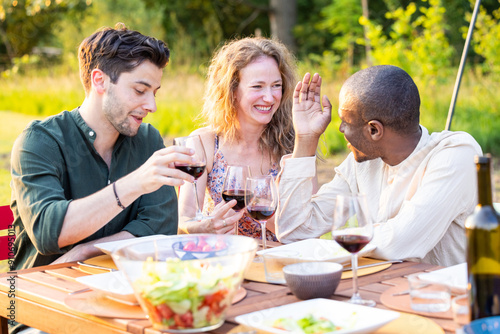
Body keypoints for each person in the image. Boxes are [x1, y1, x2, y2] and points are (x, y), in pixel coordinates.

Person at [10, 24, 198, 271]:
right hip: (39, 292)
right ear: (100, 81)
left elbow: (160, 228)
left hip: (121, 286)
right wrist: (136, 183)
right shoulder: (39, 142)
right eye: (140, 90)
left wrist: (85, 250)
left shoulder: (148, 140)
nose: (152, 105)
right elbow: (49, 233)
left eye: (154, 92)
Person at [276, 65, 482, 266]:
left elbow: (399, 242)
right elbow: (294, 230)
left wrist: (338, 242)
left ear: (374, 130)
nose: (339, 128)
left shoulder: (456, 154)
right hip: (378, 291)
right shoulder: (363, 161)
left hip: (441, 296)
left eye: (345, 122)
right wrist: (305, 139)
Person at [178, 37, 301, 242]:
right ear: (232, 90)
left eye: (276, 85)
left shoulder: (294, 145)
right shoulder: (204, 144)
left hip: (277, 262)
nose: (270, 98)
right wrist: (205, 227)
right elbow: (183, 221)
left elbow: (307, 232)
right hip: (224, 260)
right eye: (257, 86)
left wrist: (267, 214)